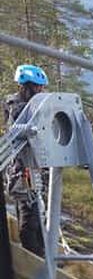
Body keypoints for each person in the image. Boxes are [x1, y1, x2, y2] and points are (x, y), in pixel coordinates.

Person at [3, 64, 49, 256]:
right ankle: (33, 256)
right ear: (25, 87)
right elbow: (16, 128)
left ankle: (43, 252)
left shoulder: (31, 105)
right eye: (36, 87)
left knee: (38, 215)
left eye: (41, 87)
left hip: (34, 166)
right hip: (22, 169)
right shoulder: (16, 106)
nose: (40, 91)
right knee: (30, 216)